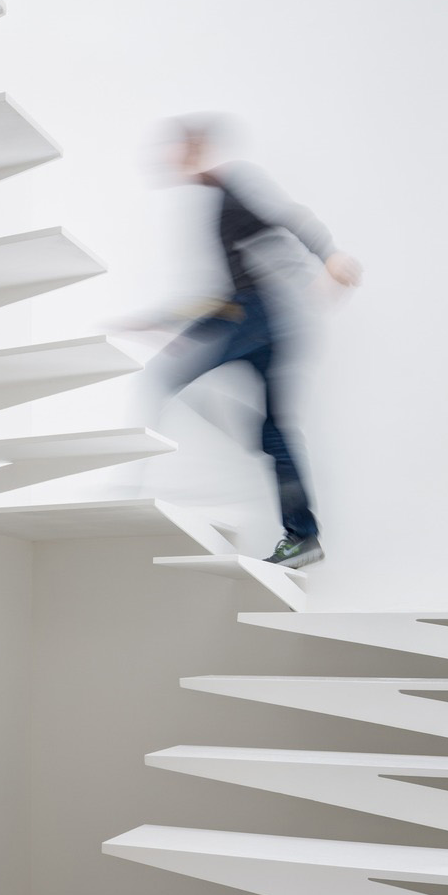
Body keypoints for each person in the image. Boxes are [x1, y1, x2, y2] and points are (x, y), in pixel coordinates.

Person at [125, 117, 361, 567]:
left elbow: (289, 218)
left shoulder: (232, 186)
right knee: (274, 434)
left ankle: (133, 489)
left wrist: (329, 255)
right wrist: (161, 320)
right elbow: (223, 293)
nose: (174, 162)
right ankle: (303, 537)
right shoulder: (217, 198)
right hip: (262, 320)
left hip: (251, 317)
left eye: (181, 151)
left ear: (196, 149)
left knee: (159, 379)